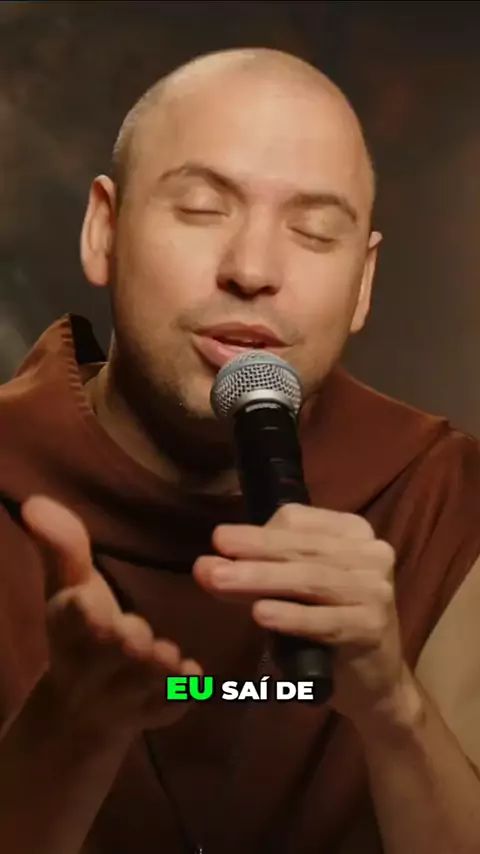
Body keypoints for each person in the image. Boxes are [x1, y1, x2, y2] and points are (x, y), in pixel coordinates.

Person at [0, 46, 479, 854]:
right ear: (104, 230)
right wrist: (71, 728)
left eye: (314, 232)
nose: (253, 271)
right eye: (200, 209)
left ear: (363, 282)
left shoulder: (445, 495)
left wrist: (394, 710)